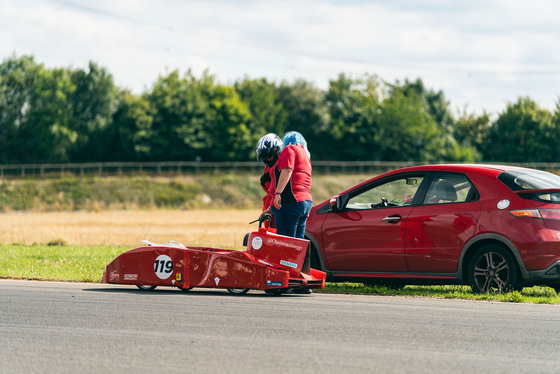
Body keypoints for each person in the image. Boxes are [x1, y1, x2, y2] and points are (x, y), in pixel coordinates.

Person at [268, 131, 312, 239]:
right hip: (305, 203)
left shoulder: (289, 149)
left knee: (286, 243)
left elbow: (287, 170)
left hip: (291, 203)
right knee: (298, 243)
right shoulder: (305, 156)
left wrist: (278, 194)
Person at [255, 133, 283, 228]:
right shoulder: (267, 166)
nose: (268, 159)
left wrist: (272, 176)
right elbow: (268, 189)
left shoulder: (285, 164)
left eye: (270, 156)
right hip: (270, 202)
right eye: (265, 157)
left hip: (280, 204)